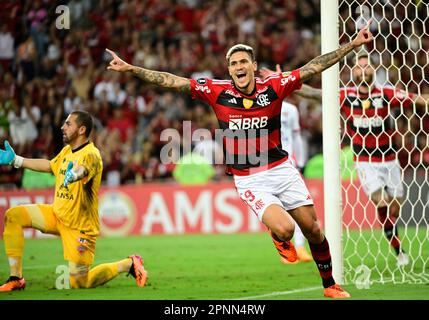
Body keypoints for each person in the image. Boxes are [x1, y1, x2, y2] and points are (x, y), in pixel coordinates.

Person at [105, 21, 375, 298]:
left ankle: (330, 285)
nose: (238, 66)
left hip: (282, 169)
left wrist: (352, 45)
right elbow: (173, 81)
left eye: (243, 61)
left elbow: (314, 67)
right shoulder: (217, 91)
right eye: (233, 63)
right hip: (250, 179)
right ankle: (279, 238)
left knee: (314, 230)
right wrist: (132, 69)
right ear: (229, 69)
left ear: (254, 65)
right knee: (285, 229)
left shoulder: (274, 85)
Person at [0, 110, 148, 292]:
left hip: (80, 226)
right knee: (13, 216)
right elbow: (49, 165)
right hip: (57, 215)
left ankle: (129, 263)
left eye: (68, 124)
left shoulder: (92, 155)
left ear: (81, 130)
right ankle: (16, 279)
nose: (63, 127)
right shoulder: (67, 151)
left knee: (80, 282)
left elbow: (83, 170)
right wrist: (17, 160)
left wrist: (73, 175)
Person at [339, 51, 429, 267]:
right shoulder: (344, 95)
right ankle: (400, 252)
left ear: (374, 69)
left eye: (367, 65)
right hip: (365, 160)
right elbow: (317, 94)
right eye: (359, 66)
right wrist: (291, 82)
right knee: (381, 201)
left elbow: (417, 100)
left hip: (390, 160)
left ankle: (395, 244)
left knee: (395, 207)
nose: (363, 70)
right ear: (353, 71)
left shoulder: (386, 93)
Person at [260, 64, 317, 264]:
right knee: (280, 211)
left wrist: (300, 161)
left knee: (299, 208)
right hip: (268, 164)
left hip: (289, 162)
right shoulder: (260, 107)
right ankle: (286, 243)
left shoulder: (291, 110)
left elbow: (296, 136)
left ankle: (300, 248)